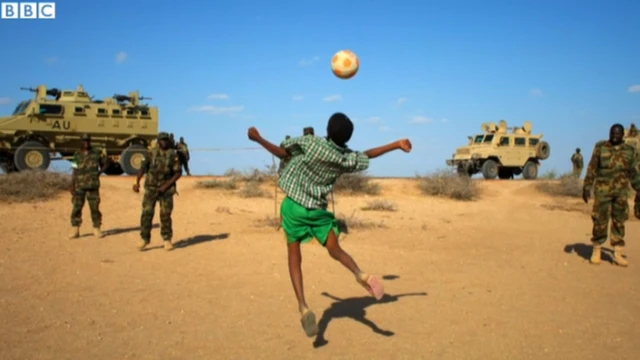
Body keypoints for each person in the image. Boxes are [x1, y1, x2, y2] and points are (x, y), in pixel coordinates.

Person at [247, 112, 412, 337]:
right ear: (346, 139)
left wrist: (258, 138)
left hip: (294, 207)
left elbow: (280, 151)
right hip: (318, 212)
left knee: (294, 255)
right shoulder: (344, 158)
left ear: (327, 128)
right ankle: (360, 273)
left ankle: (303, 306)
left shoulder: (310, 143)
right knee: (335, 249)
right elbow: (368, 155)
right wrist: (396, 144)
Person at [583, 123, 640, 266]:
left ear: (622, 135)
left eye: (617, 133)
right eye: (612, 133)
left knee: (619, 221)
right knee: (600, 220)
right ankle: (597, 250)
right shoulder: (601, 147)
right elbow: (592, 168)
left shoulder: (629, 151)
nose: (615, 136)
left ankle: (618, 252)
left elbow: (633, 172)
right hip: (603, 191)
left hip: (621, 192)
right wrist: (587, 186)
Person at [133, 132, 182, 251]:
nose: (164, 142)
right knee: (147, 213)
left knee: (165, 215)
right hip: (151, 187)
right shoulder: (151, 153)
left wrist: (166, 186)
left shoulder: (173, 155)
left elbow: (178, 173)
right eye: (162, 140)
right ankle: (144, 238)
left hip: (166, 189)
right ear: (158, 141)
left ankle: (167, 240)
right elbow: (143, 168)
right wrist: (137, 182)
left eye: (166, 140)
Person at [69, 134, 110, 239]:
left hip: (93, 185)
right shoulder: (76, 155)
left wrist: (99, 172)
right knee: (77, 207)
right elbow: (74, 170)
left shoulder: (96, 153)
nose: (86, 142)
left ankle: (97, 228)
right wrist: (72, 185)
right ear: (81, 142)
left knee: (94, 208)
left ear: (90, 141)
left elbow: (107, 163)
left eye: (88, 140)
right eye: (84, 141)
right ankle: (75, 229)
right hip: (79, 186)